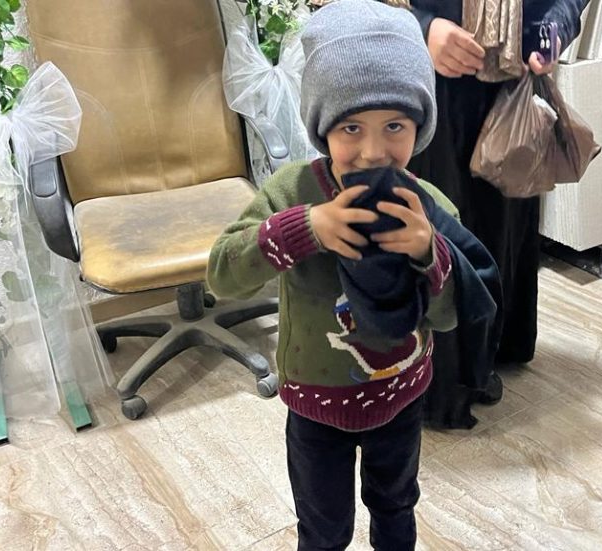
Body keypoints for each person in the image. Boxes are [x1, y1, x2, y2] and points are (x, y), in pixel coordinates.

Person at [207, 1, 498, 548]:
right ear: (323, 127)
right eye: (350, 127)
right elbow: (223, 274)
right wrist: (307, 228)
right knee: (322, 529)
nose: (372, 150)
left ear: (420, 125)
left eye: (395, 126)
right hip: (315, 405)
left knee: (396, 508)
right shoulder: (291, 191)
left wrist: (427, 252)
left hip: (402, 398)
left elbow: (451, 314)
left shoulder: (428, 207)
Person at [401, 0, 590, 428]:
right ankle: (444, 382)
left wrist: (554, 26)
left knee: (504, 226)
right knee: (442, 232)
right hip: (428, 82)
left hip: (514, 81)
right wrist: (420, 28)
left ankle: (491, 352)